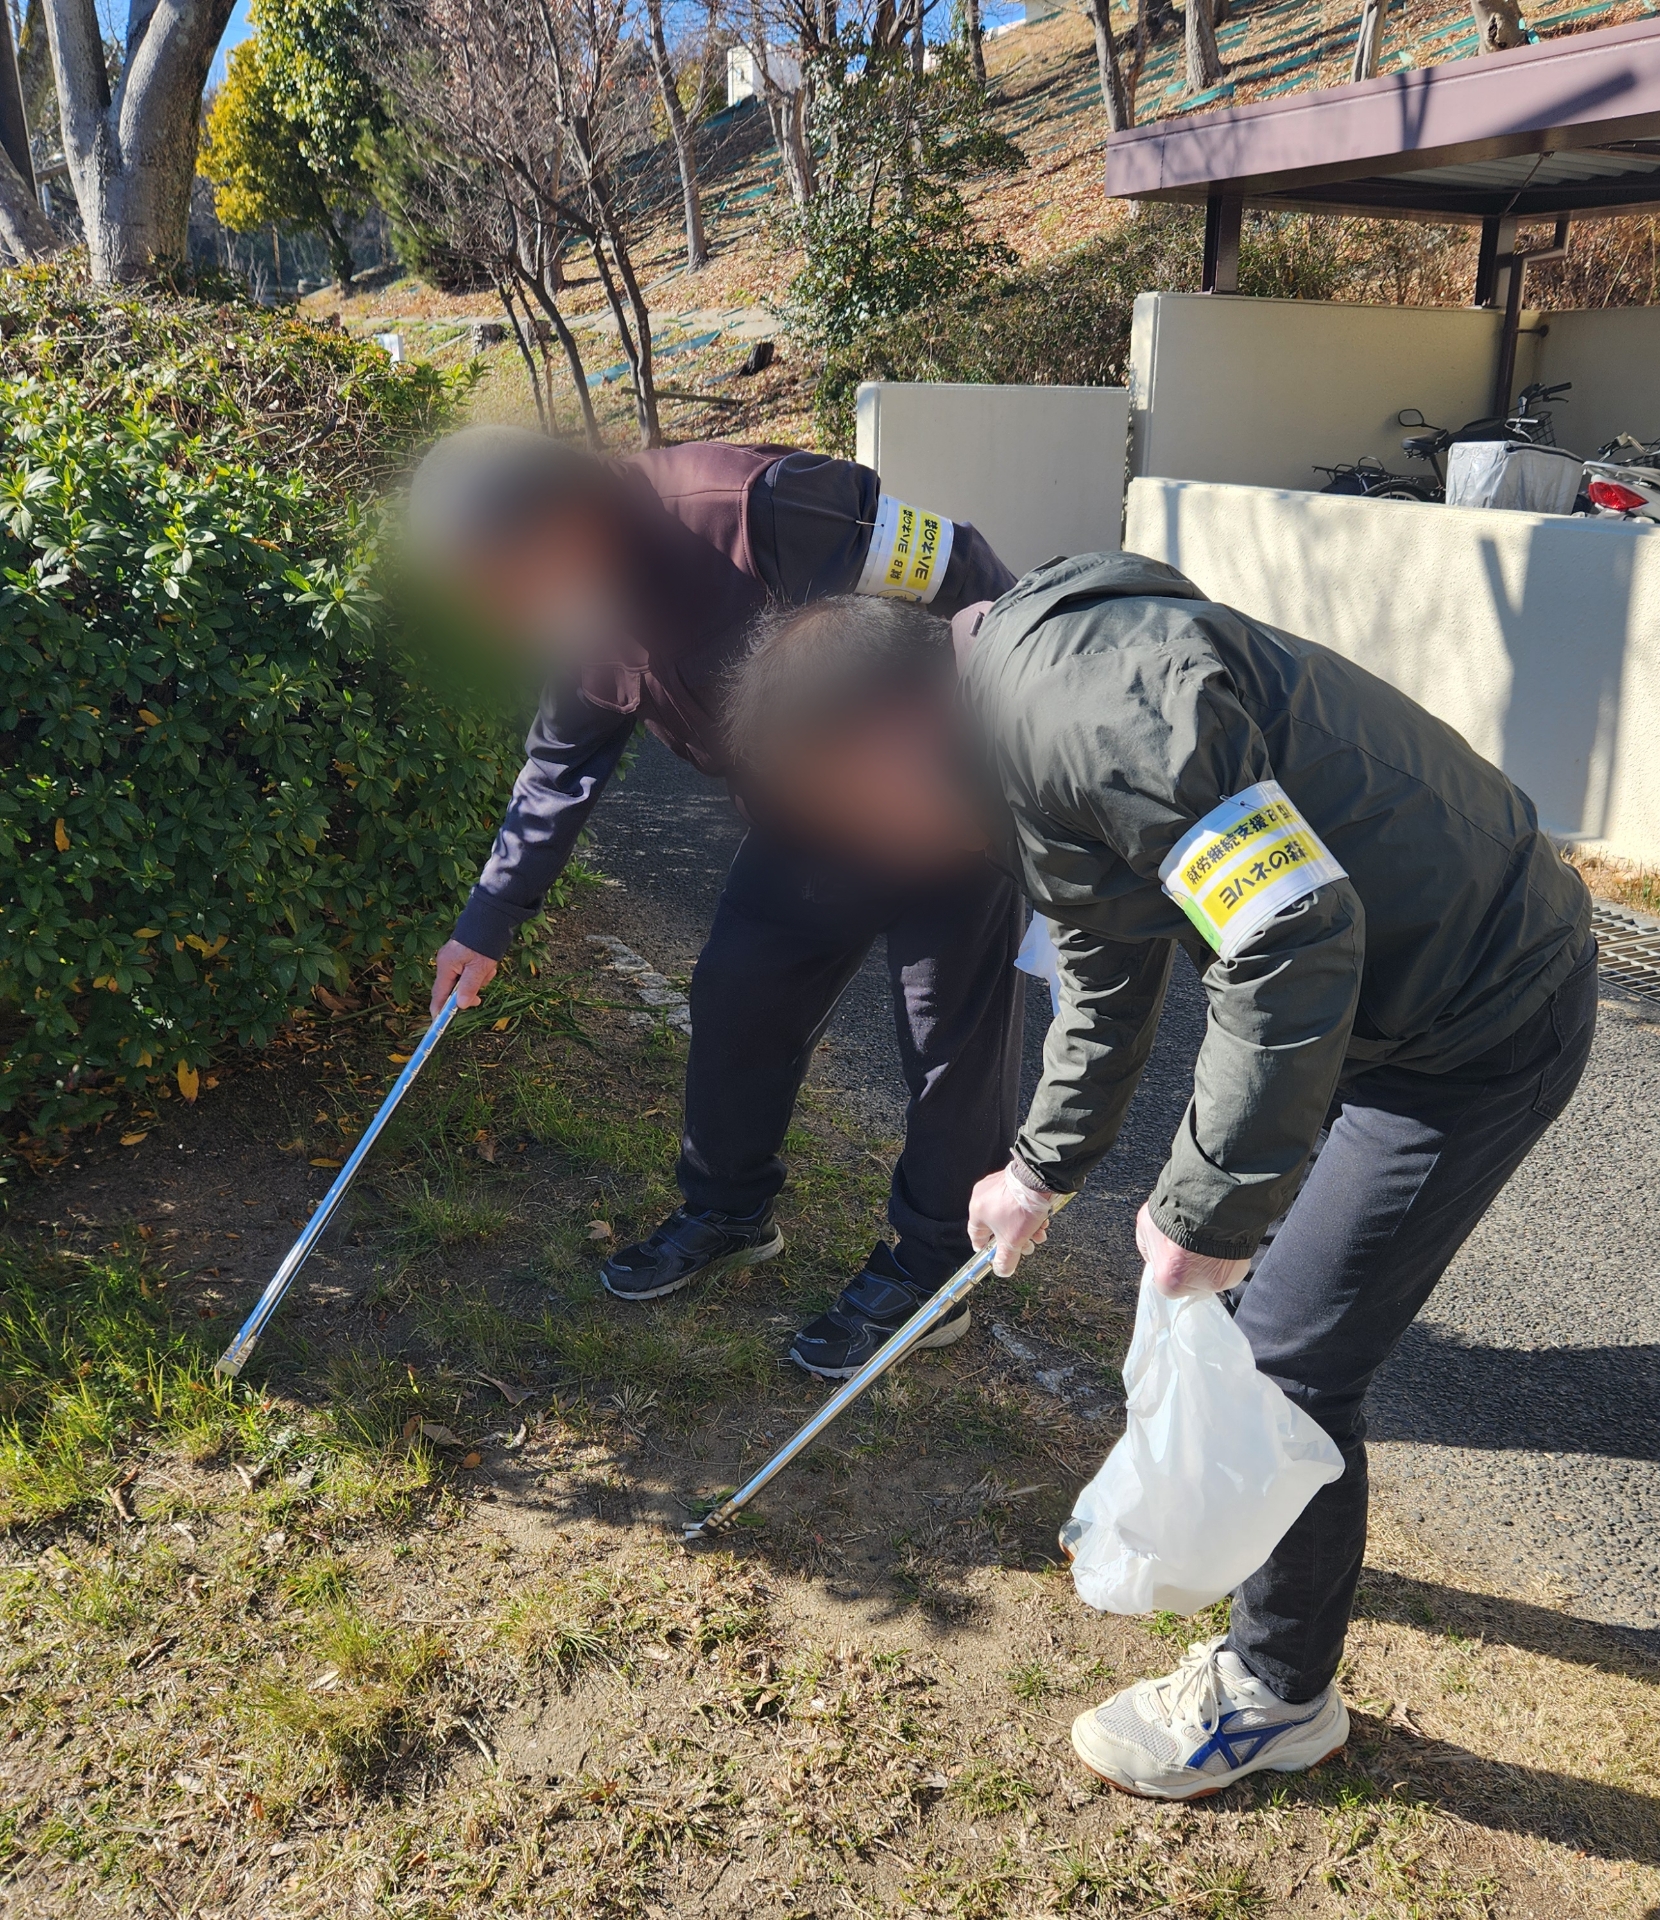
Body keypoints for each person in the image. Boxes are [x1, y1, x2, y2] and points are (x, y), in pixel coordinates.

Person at [722, 552, 1596, 1799]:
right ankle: (1282, 1636)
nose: (870, 848)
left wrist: (1207, 1209)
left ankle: (1276, 1698)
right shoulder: (1008, 734)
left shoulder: (1091, 712)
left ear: (888, 732)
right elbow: (1103, 953)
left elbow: (1288, 937)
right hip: (1378, 1000)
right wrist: (1040, 1168)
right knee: (1270, 1341)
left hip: (1475, 1016)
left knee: (1284, 1362)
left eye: (851, 809)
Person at [407, 427, 1025, 1379]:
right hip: (805, 824)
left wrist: (988, 780)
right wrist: (486, 922)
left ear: (562, 522)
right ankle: (728, 1211)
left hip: (941, 813)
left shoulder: (762, 508)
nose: (500, 611)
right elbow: (563, 761)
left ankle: (934, 1268)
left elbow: (977, 581)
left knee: (948, 1040)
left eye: (500, 580)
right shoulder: (582, 601)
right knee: (738, 994)